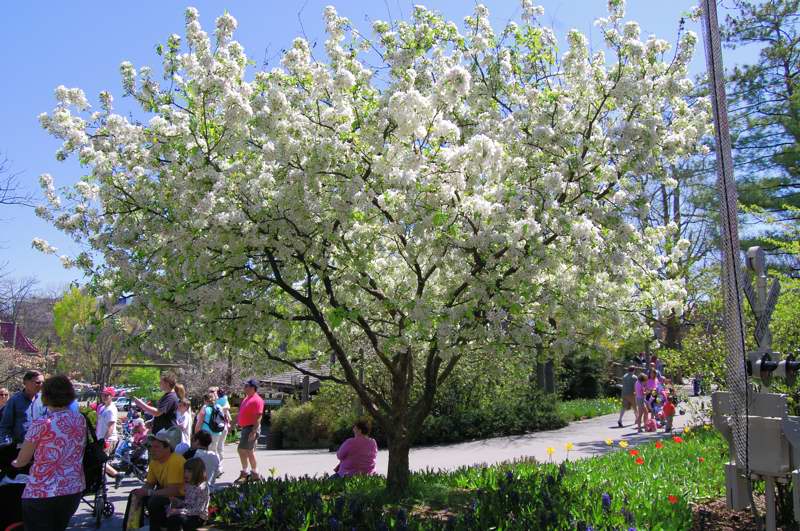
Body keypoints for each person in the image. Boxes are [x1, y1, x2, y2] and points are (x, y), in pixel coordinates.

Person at [11, 375, 86, 531]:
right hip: (72, 489)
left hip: (42, 492)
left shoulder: (42, 424)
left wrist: (14, 463)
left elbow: (22, 460)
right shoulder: (80, 420)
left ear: (46, 396)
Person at [131, 428, 185, 531]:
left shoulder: (175, 461)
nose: (152, 450)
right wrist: (141, 492)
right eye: (151, 446)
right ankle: (133, 526)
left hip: (182, 496)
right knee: (135, 495)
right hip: (168, 493)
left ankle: (161, 528)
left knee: (155, 500)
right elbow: (149, 483)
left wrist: (149, 492)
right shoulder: (154, 462)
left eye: (156, 447)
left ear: (167, 448)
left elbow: (174, 490)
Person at [0, 370, 44, 446]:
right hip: (19, 447)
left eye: (43, 382)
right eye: (38, 382)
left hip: (39, 447)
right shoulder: (14, 400)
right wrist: (6, 445)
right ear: (25, 382)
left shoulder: (43, 400)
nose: (41, 385)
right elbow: (5, 426)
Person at [166, 458, 210, 531]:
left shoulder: (203, 488)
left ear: (197, 472)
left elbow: (198, 510)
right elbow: (188, 502)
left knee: (179, 518)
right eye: (185, 471)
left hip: (199, 517)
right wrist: (177, 501)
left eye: (189, 471)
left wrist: (179, 511)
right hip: (188, 512)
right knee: (171, 516)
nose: (185, 474)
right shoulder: (189, 484)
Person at [236, 378, 264, 482]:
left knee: (242, 450)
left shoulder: (257, 400)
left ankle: (247, 473)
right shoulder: (247, 398)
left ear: (253, 388)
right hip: (246, 428)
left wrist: (253, 431)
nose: (244, 388)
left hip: (251, 428)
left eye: (246, 386)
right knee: (248, 451)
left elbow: (259, 416)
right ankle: (253, 473)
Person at [194, 392, 224, 460]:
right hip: (217, 432)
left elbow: (199, 422)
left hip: (206, 433)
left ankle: (207, 464)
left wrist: (196, 433)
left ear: (205, 400)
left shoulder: (204, 408)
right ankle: (216, 464)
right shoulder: (219, 407)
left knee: (206, 451)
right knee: (214, 450)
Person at [211, 386, 231, 466]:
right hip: (215, 426)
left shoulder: (222, 400)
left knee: (218, 446)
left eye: (213, 391)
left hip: (221, 426)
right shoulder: (211, 401)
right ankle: (215, 465)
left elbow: (227, 407)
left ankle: (219, 466)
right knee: (214, 446)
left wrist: (219, 408)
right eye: (210, 391)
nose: (211, 393)